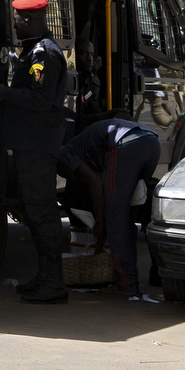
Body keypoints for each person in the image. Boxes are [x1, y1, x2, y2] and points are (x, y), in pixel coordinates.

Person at [0, 0, 74, 305]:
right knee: (36, 212)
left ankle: (53, 284)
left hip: (36, 146)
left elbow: (41, 100)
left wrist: (4, 94)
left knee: (42, 213)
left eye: (17, 22)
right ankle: (46, 278)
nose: (15, 27)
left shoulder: (44, 54)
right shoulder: (36, 51)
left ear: (28, 20)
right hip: (31, 145)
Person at [63, 117, 163, 301]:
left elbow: (95, 182)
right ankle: (130, 279)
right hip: (152, 142)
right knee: (128, 219)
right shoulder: (87, 146)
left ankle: (125, 285)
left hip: (127, 146)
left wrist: (100, 223)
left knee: (115, 221)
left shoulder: (65, 156)